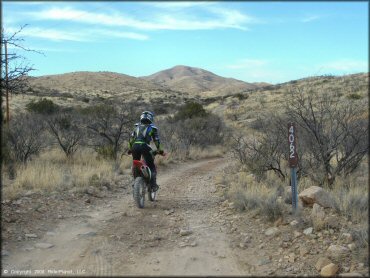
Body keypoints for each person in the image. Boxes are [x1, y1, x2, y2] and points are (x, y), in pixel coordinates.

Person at [128, 111, 164, 191]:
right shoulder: (152, 128)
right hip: (145, 147)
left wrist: (130, 149)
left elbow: (131, 140)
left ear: (141, 118)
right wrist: (160, 150)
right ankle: (153, 185)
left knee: (135, 164)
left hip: (135, 147)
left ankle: (135, 181)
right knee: (151, 165)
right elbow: (156, 141)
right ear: (150, 118)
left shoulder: (136, 127)